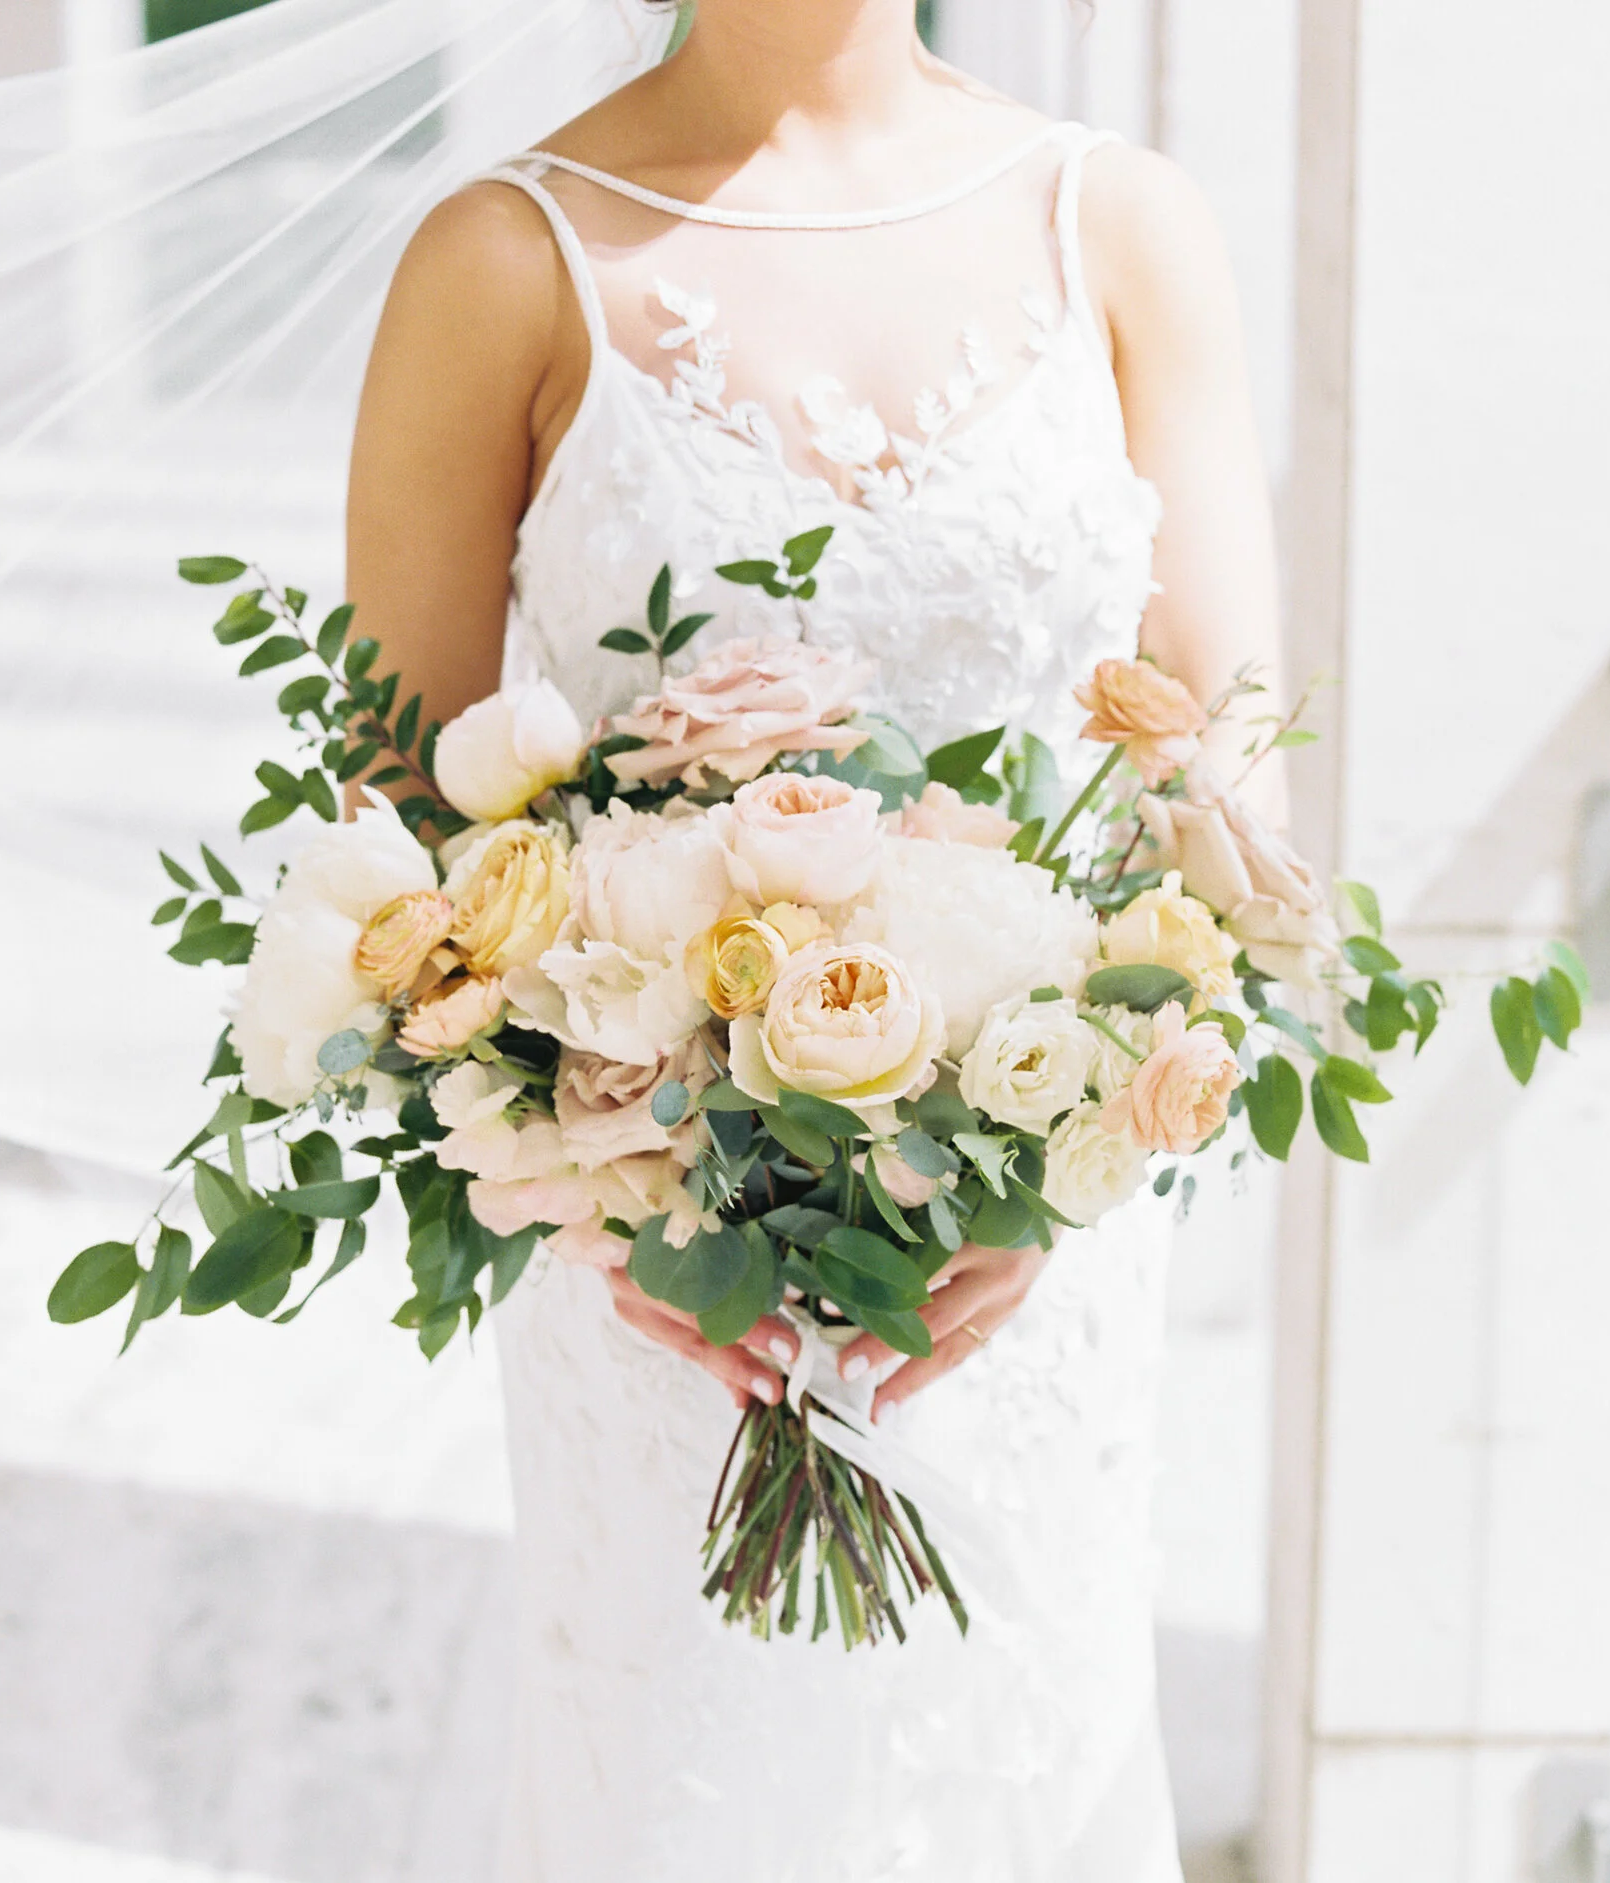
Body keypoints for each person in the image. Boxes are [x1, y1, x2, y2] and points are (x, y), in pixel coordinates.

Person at [342, 2, 1282, 1876]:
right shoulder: (506, 259)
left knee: (1023, 1769)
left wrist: (1067, 1168)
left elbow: (1234, 819)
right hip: (659, 1291)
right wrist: (604, 1181)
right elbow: (401, 859)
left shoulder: (1123, 226)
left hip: (1038, 1264)